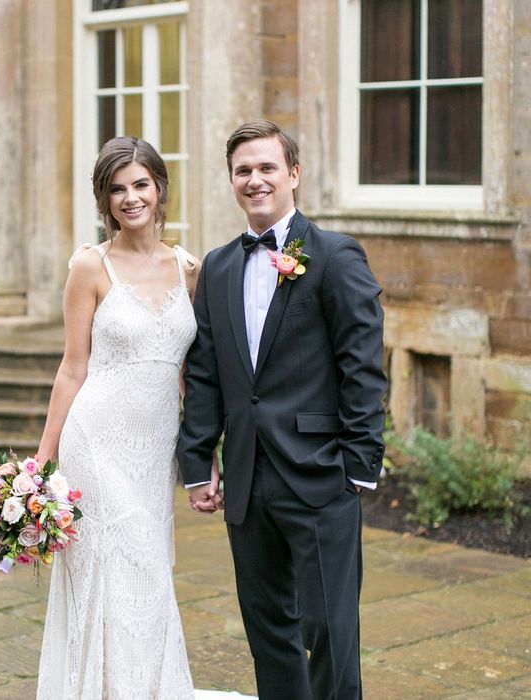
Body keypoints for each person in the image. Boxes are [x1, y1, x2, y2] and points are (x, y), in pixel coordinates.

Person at [178, 120, 387, 700]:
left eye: (267, 167)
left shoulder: (334, 257)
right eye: (243, 170)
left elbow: (363, 367)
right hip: (246, 478)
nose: (255, 180)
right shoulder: (218, 266)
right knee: (267, 628)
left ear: (293, 174)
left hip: (320, 474)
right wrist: (198, 461)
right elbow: (205, 373)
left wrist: (359, 465)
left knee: (328, 628)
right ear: (231, 181)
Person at [34, 136, 211, 699]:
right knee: (113, 567)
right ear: (104, 199)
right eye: (117, 189)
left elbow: (191, 375)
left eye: (140, 184)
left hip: (155, 445)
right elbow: (71, 368)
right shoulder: (92, 265)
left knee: (150, 573)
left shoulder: (190, 270)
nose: (130, 198)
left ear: (159, 189)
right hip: (97, 440)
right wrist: (42, 459)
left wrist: (201, 457)